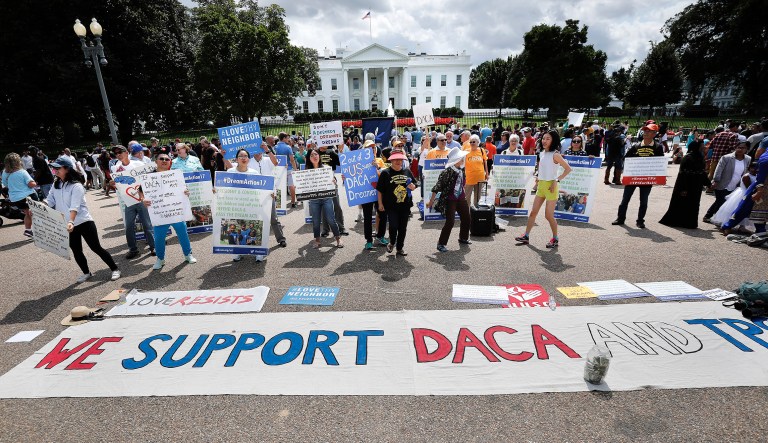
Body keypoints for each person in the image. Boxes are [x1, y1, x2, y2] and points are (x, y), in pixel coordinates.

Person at [46, 156, 120, 283]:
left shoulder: (76, 186)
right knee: (76, 250)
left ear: (67, 169)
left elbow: (75, 206)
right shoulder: (56, 184)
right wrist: (38, 206)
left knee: (95, 247)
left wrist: (70, 221)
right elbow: (49, 200)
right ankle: (86, 272)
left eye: (58, 168)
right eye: (54, 168)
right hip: (68, 223)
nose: (55, 170)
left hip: (83, 221)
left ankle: (115, 269)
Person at [515, 130, 572, 247]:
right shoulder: (542, 153)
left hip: (551, 187)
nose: (544, 141)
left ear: (553, 141)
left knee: (548, 215)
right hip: (541, 186)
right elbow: (544, 168)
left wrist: (556, 181)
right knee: (533, 213)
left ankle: (555, 239)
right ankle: (526, 236)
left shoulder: (555, 154)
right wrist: (538, 176)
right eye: (543, 138)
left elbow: (568, 169)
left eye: (548, 139)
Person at [144, 153, 197, 270]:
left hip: (176, 211)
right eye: (161, 158)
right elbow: (141, 192)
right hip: (160, 213)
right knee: (158, 237)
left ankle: (188, 254)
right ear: (156, 161)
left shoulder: (175, 174)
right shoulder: (148, 177)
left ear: (170, 162)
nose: (164, 161)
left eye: (167, 159)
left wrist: (186, 192)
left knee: (183, 233)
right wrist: (143, 200)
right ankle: (160, 259)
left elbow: (184, 189)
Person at [612, 123, 664, 229]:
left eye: (649, 131)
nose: (646, 132)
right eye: (645, 130)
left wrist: (656, 177)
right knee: (625, 199)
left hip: (647, 178)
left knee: (643, 201)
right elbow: (626, 158)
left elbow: (660, 163)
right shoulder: (636, 146)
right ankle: (620, 218)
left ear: (654, 134)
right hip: (633, 177)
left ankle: (640, 221)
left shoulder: (658, 147)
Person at [109, 145, 156, 259]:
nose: (118, 155)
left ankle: (153, 247)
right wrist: (112, 184)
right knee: (129, 226)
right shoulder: (116, 167)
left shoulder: (138, 164)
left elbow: (148, 178)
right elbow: (118, 185)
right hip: (128, 200)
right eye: (116, 153)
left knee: (147, 225)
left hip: (141, 199)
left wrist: (144, 194)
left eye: (120, 152)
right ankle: (133, 249)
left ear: (126, 152)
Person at [659, 140, 710, 229]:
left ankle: (690, 223)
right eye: (701, 146)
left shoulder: (700, 157)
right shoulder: (687, 158)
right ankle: (678, 222)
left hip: (697, 186)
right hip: (686, 184)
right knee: (682, 202)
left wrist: (708, 184)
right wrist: (683, 188)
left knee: (694, 204)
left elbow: (702, 172)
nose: (703, 147)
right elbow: (683, 175)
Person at [427, 147, 471, 252]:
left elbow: (462, 183)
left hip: (461, 198)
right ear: (456, 160)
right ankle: (441, 244)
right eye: (461, 158)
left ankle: (463, 238)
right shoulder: (447, 172)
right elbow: (437, 187)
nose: (463, 160)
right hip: (450, 200)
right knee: (450, 222)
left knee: (467, 218)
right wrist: (431, 201)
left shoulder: (461, 169)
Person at [376, 148, 417, 256]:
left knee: (403, 228)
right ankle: (392, 242)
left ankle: (400, 248)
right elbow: (380, 190)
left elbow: (415, 183)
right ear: (391, 160)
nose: (398, 161)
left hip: (405, 205)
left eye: (400, 159)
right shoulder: (385, 173)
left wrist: (413, 186)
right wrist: (380, 204)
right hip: (391, 206)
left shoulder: (407, 171)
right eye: (395, 159)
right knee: (393, 226)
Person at [248, 146, 288, 253]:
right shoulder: (249, 161)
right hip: (254, 195)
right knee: (256, 219)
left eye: (261, 150)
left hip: (268, 194)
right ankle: (256, 242)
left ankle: (281, 239)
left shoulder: (267, 159)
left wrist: (267, 150)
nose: (259, 152)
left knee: (273, 218)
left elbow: (276, 162)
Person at [703, 142, 751, 223]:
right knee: (720, 201)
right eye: (738, 147)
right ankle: (709, 216)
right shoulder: (726, 158)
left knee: (726, 203)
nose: (740, 149)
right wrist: (716, 180)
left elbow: (746, 172)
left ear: (746, 149)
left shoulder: (748, 159)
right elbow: (718, 170)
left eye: (743, 148)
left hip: (736, 185)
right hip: (722, 183)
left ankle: (718, 218)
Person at [305, 149, 343, 249]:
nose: (314, 156)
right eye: (312, 155)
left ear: (319, 156)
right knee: (316, 221)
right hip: (314, 199)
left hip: (326, 198)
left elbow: (334, 180)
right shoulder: (306, 172)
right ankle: (317, 240)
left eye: (316, 154)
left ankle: (338, 239)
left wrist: (334, 181)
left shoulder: (327, 168)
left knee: (331, 219)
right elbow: (304, 186)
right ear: (309, 158)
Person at [359, 140, 389, 250]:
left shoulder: (380, 161)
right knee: (367, 217)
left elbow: (385, 176)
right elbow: (355, 177)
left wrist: (376, 168)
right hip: (366, 193)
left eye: (373, 147)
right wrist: (345, 178)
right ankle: (368, 240)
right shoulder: (360, 162)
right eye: (369, 148)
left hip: (379, 193)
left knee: (382, 214)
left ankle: (380, 235)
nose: (372, 149)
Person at [712, 161, 757, 231]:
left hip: (750, 194)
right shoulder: (746, 176)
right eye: (753, 168)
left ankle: (742, 226)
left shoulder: (756, 176)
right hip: (744, 194)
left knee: (747, 210)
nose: (755, 170)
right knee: (736, 209)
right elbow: (749, 188)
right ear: (749, 168)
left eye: (756, 168)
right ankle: (726, 224)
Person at [2, 153, 38, 237]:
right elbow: (31, 184)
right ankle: (40, 230)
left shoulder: (4, 173)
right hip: (28, 196)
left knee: (27, 213)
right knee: (37, 213)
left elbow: (5, 184)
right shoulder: (22, 172)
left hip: (15, 199)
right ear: (18, 162)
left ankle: (28, 229)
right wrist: (35, 183)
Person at [317, 144, 347, 236]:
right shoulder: (315, 153)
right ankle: (325, 230)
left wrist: (341, 152)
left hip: (332, 182)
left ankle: (341, 228)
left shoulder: (331, 152)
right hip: (319, 183)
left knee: (336, 205)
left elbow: (341, 162)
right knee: (323, 207)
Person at [464, 135, 488, 206]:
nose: (472, 143)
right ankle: (467, 213)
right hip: (469, 178)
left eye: (473, 142)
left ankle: (475, 211)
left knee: (477, 197)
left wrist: (487, 173)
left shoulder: (481, 150)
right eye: (470, 142)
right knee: (467, 197)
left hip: (480, 177)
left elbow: (485, 162)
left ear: (478, 142)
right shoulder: (466, 152)